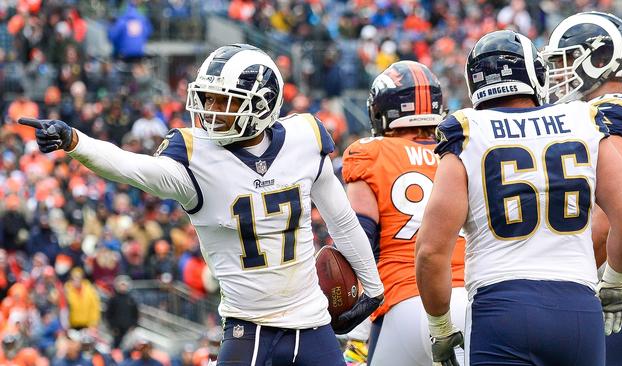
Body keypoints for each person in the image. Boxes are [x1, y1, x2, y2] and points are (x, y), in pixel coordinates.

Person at [19, 43, 384, 366]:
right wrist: (74, 140)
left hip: (313, 321)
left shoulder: (305, 138)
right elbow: (131, 167)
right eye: (207, 97)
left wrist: (373, 286)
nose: (209, 109)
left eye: (223, 100)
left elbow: (342, 221)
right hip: (249, 325)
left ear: (261, 104)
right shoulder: (195, 157)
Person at [414, 30, 622, 366]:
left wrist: (440, 327)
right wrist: (616, 280)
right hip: (578, 310)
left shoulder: (467, 131)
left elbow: (432, 252)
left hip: (501, 308)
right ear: (535, 75)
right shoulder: (584, 119)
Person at [341, 60, 466, 366]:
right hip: (472, 298)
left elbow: (360, 244)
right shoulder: (465, 150)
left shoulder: (370, 152)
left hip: (405, 302)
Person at [543, 12, 622, 366]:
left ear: (600, 59)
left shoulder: (603, 113)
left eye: (567, 59)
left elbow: (615, 215)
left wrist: (569, 283)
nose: (558, 72)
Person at [105, 275, 139, 349]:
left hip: (128, 329)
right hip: (117, 330)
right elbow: (109, 314)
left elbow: (135, 313)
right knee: (116, 347)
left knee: (129, 347)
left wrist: (134, 325)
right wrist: (112, 327)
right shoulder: (113, 299)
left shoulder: (131, 299)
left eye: (124, 285)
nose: (123, 287)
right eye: (121, 285)